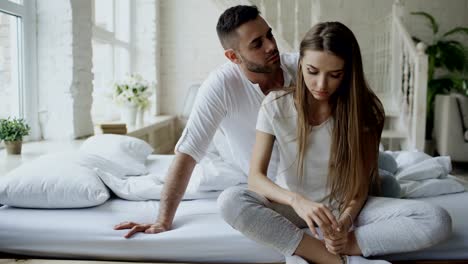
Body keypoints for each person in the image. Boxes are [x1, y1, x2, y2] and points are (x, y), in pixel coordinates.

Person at [218, 22, 452, 264]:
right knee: (230, 201)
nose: (321, 85)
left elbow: (359, 187)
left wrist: (346, 226)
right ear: (300, 64)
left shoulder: (366, 111)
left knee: (436, 219)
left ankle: (349, 245)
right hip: (295, 209)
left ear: (348, 72)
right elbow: (256, 178)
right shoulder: (276, 105)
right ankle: (330, 258)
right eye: (312, 71)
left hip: (344, 208)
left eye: (335, 75)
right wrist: (297, 201)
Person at [114, 5, 299, 238]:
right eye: (257, 43)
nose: (272, 46)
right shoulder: (220, 85)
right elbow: (188, 153)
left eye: (269, 35)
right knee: (226, 194)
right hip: (264, 187)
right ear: (233, 56)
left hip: (310, 183)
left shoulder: (305, 69)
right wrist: (162, 221)